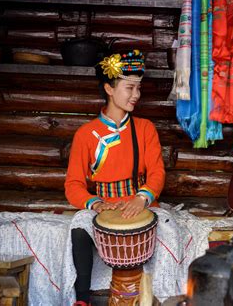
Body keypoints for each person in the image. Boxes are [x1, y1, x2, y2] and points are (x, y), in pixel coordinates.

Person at [64, 49, 165, 306]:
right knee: (79, 225)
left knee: (168, 232)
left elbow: (156, 173)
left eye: (139, 89)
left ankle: (158, 296)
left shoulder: (144, 129)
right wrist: (96, 204)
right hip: (104, 205)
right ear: (109, 89)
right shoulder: (86, 134)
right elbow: (73, 185)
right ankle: (82, 299)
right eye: (130, 88)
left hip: (139, 202)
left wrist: (141, 199)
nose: (136, 95)